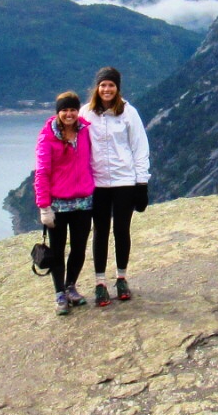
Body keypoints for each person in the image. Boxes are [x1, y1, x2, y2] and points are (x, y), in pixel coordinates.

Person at [85, 65, 150, 307]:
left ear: (117, 88)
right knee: (100, 232)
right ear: (97, 88)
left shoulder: (129, 113)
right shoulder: (86, 114)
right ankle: (100, 282)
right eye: (103, 85)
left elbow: (140, 148)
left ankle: (121, 278)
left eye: (111, 85)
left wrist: (141, 183)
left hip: (124, 181)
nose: (107, 89)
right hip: (98, 183)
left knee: (122, 230)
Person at [33, 91, 95, 314]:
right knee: (57, 251)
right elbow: (42, 173)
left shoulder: (85, 132)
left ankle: (70, 287)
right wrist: (44, 207)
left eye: (72, 110)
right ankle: (59, 293)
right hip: (58, 205)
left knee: (78, 249)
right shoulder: (47, 138)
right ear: (58, 112)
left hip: (84, 203)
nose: (69, 114)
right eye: (64, 110)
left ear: (78, 111)